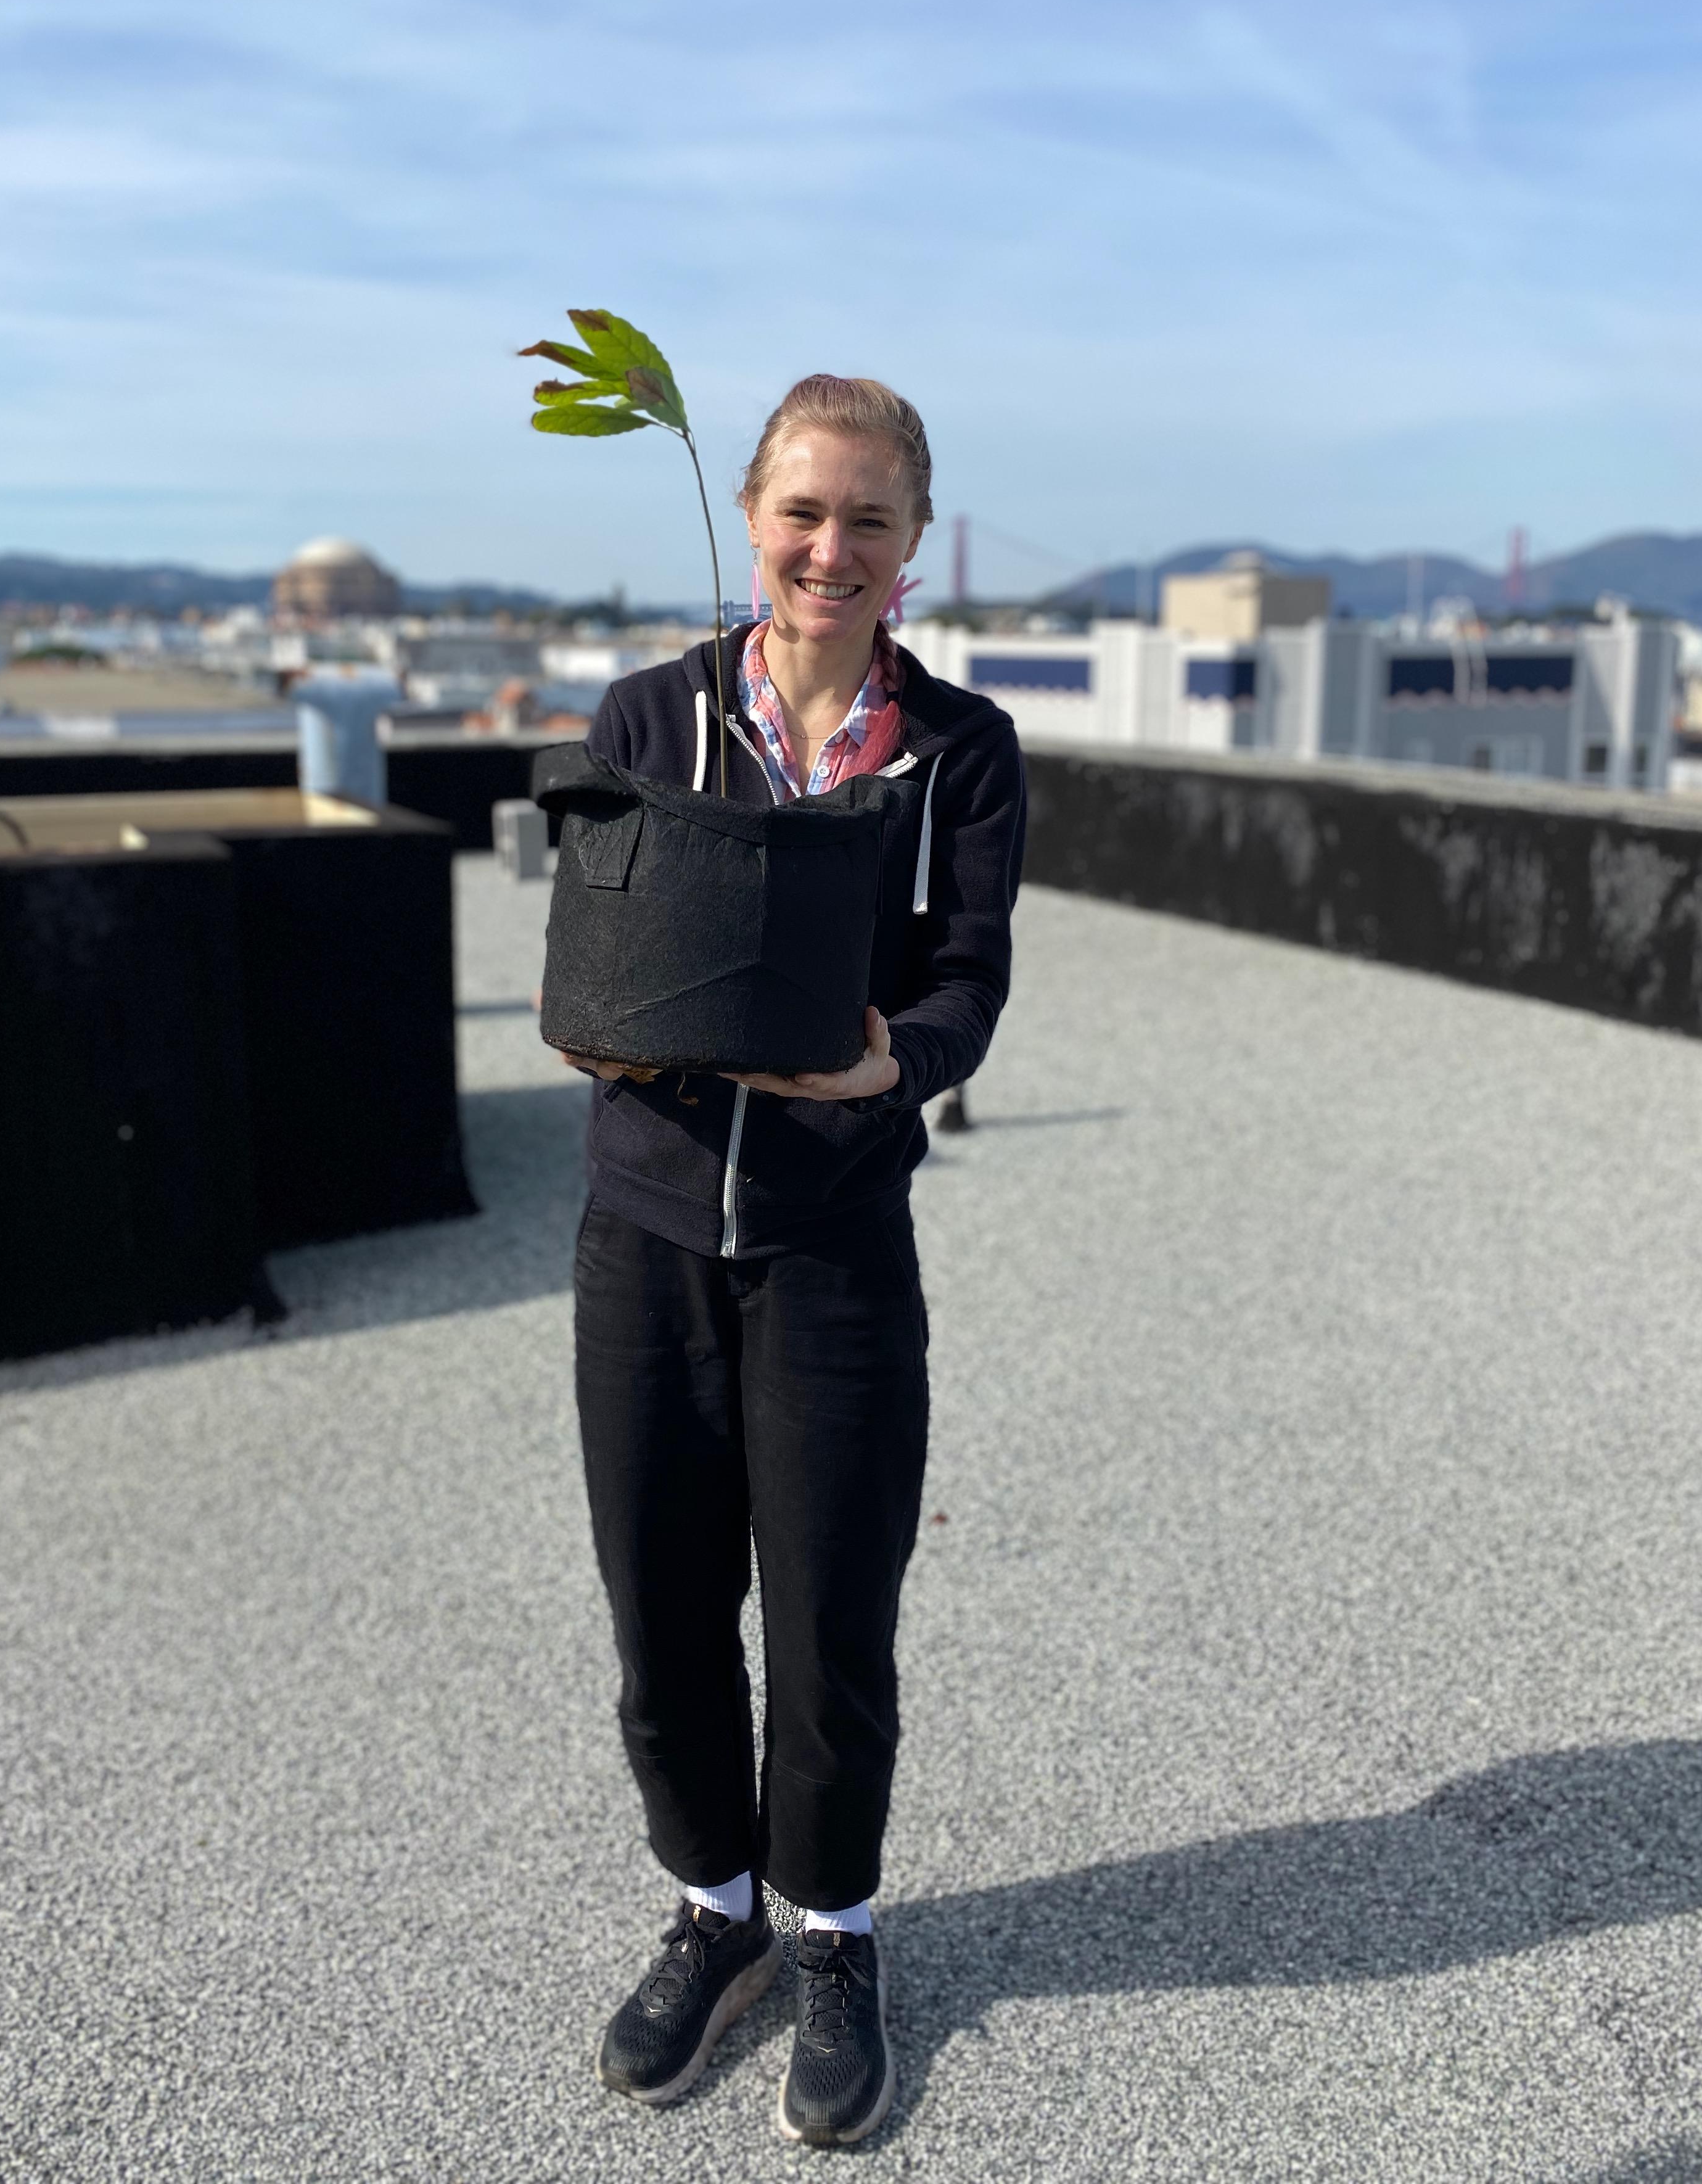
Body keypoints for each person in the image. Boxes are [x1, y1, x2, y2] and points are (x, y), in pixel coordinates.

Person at [559, 373, 1026, 2146]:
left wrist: (890, 1061)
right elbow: (593, 955)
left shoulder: (959, 749)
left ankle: (834, 1929)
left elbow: (969, 977)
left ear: (914, 544)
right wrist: (609, 1029)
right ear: (753, 512)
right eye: (805, 513)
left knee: (832, 1618)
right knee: (664, 1614)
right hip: (648, 1235)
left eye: (873, 521)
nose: (834, 549)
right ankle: (715, 1907)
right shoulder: (645, 718)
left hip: (835, 1247)